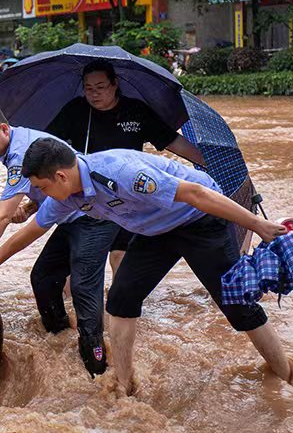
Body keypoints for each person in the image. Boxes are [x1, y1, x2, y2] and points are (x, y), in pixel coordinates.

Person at [0, 138, 293, 396]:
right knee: (121, 300)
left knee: (237, 306)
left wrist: (257, 225)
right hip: (155, 232)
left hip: (198, 221)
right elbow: (32, 230)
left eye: (42, 187)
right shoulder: (65, 195)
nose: (39, 195)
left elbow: (196, 193)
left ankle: (287, 375)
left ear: (61, 176)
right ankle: (125, 385)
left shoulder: (122, 173)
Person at [0, 105, 113, 377]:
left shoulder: (18, 155)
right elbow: (48, 184)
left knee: (83, 286)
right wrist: (32, 203)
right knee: (43, 277)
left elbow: (1, 218)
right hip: (68, 215)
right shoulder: (18, 140)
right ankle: (60, 339)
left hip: (93, 215)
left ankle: (98, 365)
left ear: (4, 129)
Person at [46, 60, 205, 276]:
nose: (94, 94)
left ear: (115, 84)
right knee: (76, 262)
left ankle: (121, 304)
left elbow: (171, 141)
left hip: (128, 195)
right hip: (87, 195)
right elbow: (47, 145)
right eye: (89, 89)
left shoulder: (136, 111)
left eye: (100, 88)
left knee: (119, 254)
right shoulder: (75, 110)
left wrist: (207, 161)